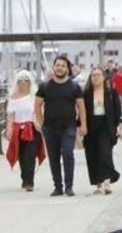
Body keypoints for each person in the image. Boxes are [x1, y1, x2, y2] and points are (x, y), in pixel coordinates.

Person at [36, 56, 86, 197]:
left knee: (68, 153)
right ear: (53, 67)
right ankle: (58, 187)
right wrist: (42, 124)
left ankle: (69, 187)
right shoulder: (44, 87)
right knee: (53, 157)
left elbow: (81, 108)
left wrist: (83, 126)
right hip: (50, 128)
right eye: (57, 65)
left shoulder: (74, 87)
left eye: (63, 66)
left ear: (68, 69)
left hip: (69, 127)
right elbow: (37, 105)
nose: (60, 68)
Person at [81, 66, 122, 194]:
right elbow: (82, 112)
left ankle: (107, 182)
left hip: (106, 126)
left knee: (105, 154)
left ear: (104, 77)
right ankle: (98, 184)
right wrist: (80, 128)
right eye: (93, 75)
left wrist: (121, 128)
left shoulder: (111, 92)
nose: (96, 77)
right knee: (92, 155)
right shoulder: (86, 93)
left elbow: (118, 111)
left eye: (98, 75)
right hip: (91, 127)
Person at [5, 71, 43, 192]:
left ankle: (29, 182)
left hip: (32, 128)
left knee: (30, 155)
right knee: (21, 155)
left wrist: (39, 122)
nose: (23, 82)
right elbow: (10, 115)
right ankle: (25, 178)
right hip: (18, 129)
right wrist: (9, 128)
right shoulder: (13, 97)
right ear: (17, 82)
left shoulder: (34, 96)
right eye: (21, 80)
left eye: (26, 80)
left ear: (30, 82)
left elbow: (39, 110)